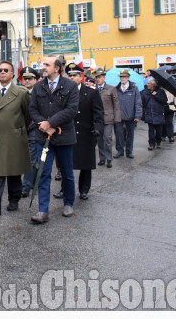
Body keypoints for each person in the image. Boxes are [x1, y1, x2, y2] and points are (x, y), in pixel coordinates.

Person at [28, 55, 79, 224]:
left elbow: (71, 110)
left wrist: (51, 122)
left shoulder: (70, 86)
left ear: (57, 68)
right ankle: (43, 210)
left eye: (47, 65)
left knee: (67, 173)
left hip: (64, 137)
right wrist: (42, 124)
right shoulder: (39, 87)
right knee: (43, 172)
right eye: (44, 64)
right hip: (43, 138)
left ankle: (68, 204)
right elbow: (32, 109)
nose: (44, 67)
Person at [0, 61, 31, 216]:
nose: (2, 72)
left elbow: (28, 116)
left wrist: (19, 130)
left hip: (14, 138)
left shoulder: (21, 93)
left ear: (12, 74)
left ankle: (14, 200)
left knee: (14, 173)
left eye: (5, 70)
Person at [53, 63, 104, 201]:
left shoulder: (91, 92)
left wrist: (98, 129)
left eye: (74, 75)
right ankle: (65, 189)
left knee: (85, 165)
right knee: (65, 164)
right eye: (69, 75)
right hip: (67, 132)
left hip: (86, 133)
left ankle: (84, 190)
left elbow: (99, 113)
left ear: (80, 77)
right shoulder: (61, 92)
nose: (71, 78)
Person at [18, 67, 39, 198]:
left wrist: (29, 125)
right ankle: (33, 180)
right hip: (20, 130)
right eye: (24, 78)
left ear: (35, 80)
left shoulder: (39, 93)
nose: (26, 81)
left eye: (30, 78)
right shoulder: (18, 93)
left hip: (34, 130)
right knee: (21, 159)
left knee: (31, 159)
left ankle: (26, 186)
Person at [94, 68, 121, 168]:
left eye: (99, 77)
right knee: (99, 140)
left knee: (107, 139)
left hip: (108, 118)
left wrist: (117, 117)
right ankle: (102, 158)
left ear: (104, 78)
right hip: (97, 119)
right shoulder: (94, 89)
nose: (98, 79)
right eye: (96, 77)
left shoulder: (111, 88)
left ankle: (109, 158)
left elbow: (116, 104)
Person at [114, 69, 142, 159]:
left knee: (130, 135)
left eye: (124, 76)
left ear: (128, 77)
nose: (122, 78)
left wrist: (138, 116)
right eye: (121, 76)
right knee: (119, 135)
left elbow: (138, 102)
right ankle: (120, 151)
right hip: (118, 116)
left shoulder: (134, 88)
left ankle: (129, 151)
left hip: (131, 116)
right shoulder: (116, 89)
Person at [141, 78, 168, 150]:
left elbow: (164, 101)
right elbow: (142, 102)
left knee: (159, 130)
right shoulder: (145, 92)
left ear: (153, 85)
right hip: (149, 113)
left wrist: (156, 95)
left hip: (158, 113)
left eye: (149, 83)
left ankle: (158, 141)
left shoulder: (160, 92)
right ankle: (151, 144)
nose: (147, 84)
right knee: (150, 130)